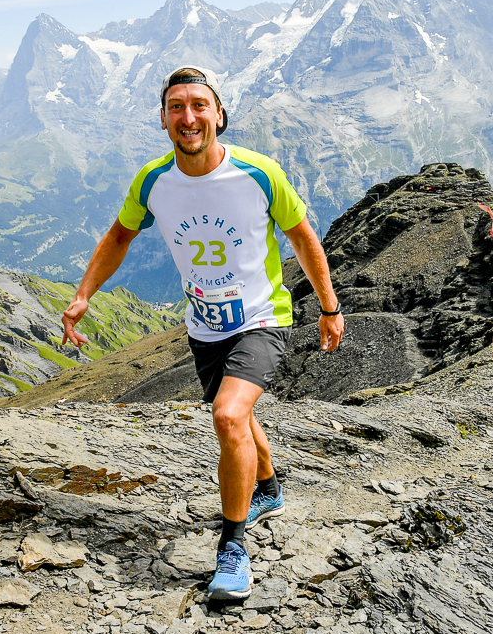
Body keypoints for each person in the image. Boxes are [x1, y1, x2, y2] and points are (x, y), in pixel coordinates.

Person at [60, 65, 344, 601]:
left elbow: (304, 239)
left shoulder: (259, 173)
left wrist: (329, 307)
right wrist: (82, 295)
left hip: (263, 318)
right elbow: (120, 235)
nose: (187, 117)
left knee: (228, 414)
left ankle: (232, 550)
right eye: (176, 107)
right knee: (238, 414)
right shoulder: (152, 181)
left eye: (198, 105)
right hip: (204, 327)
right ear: (164, 120)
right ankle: (269, 488)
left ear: (219, 115)